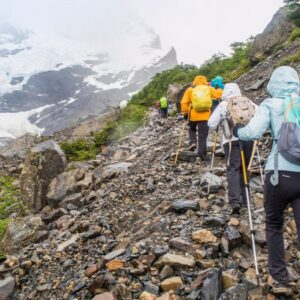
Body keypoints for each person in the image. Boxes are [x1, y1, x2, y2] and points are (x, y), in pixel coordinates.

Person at [234, 66, 300, 295]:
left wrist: (238, 131)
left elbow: (252, 132)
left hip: (278, 173)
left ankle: (279, 277)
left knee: (274, 224)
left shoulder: (271, 105)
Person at [208, 83, 254, 214]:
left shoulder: (223, 105)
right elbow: (259, 113)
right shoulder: (246, 101)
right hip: (248, 138)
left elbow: (211, 123)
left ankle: (235, 201)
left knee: (233, 168)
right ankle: (246, 200)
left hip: (230, 140)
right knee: (245, 167)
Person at [181, 76, 222, 161]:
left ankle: (193, 142)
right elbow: (219, 95)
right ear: (205, 81)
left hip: (193, 115)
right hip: (205, 115)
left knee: (191, 129)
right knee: (202, 135)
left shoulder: (190, 90)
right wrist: (218, 88)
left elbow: (184, 102)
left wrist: (185, 114)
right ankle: (202, 154)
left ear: (195, 82)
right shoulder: (208, 88)